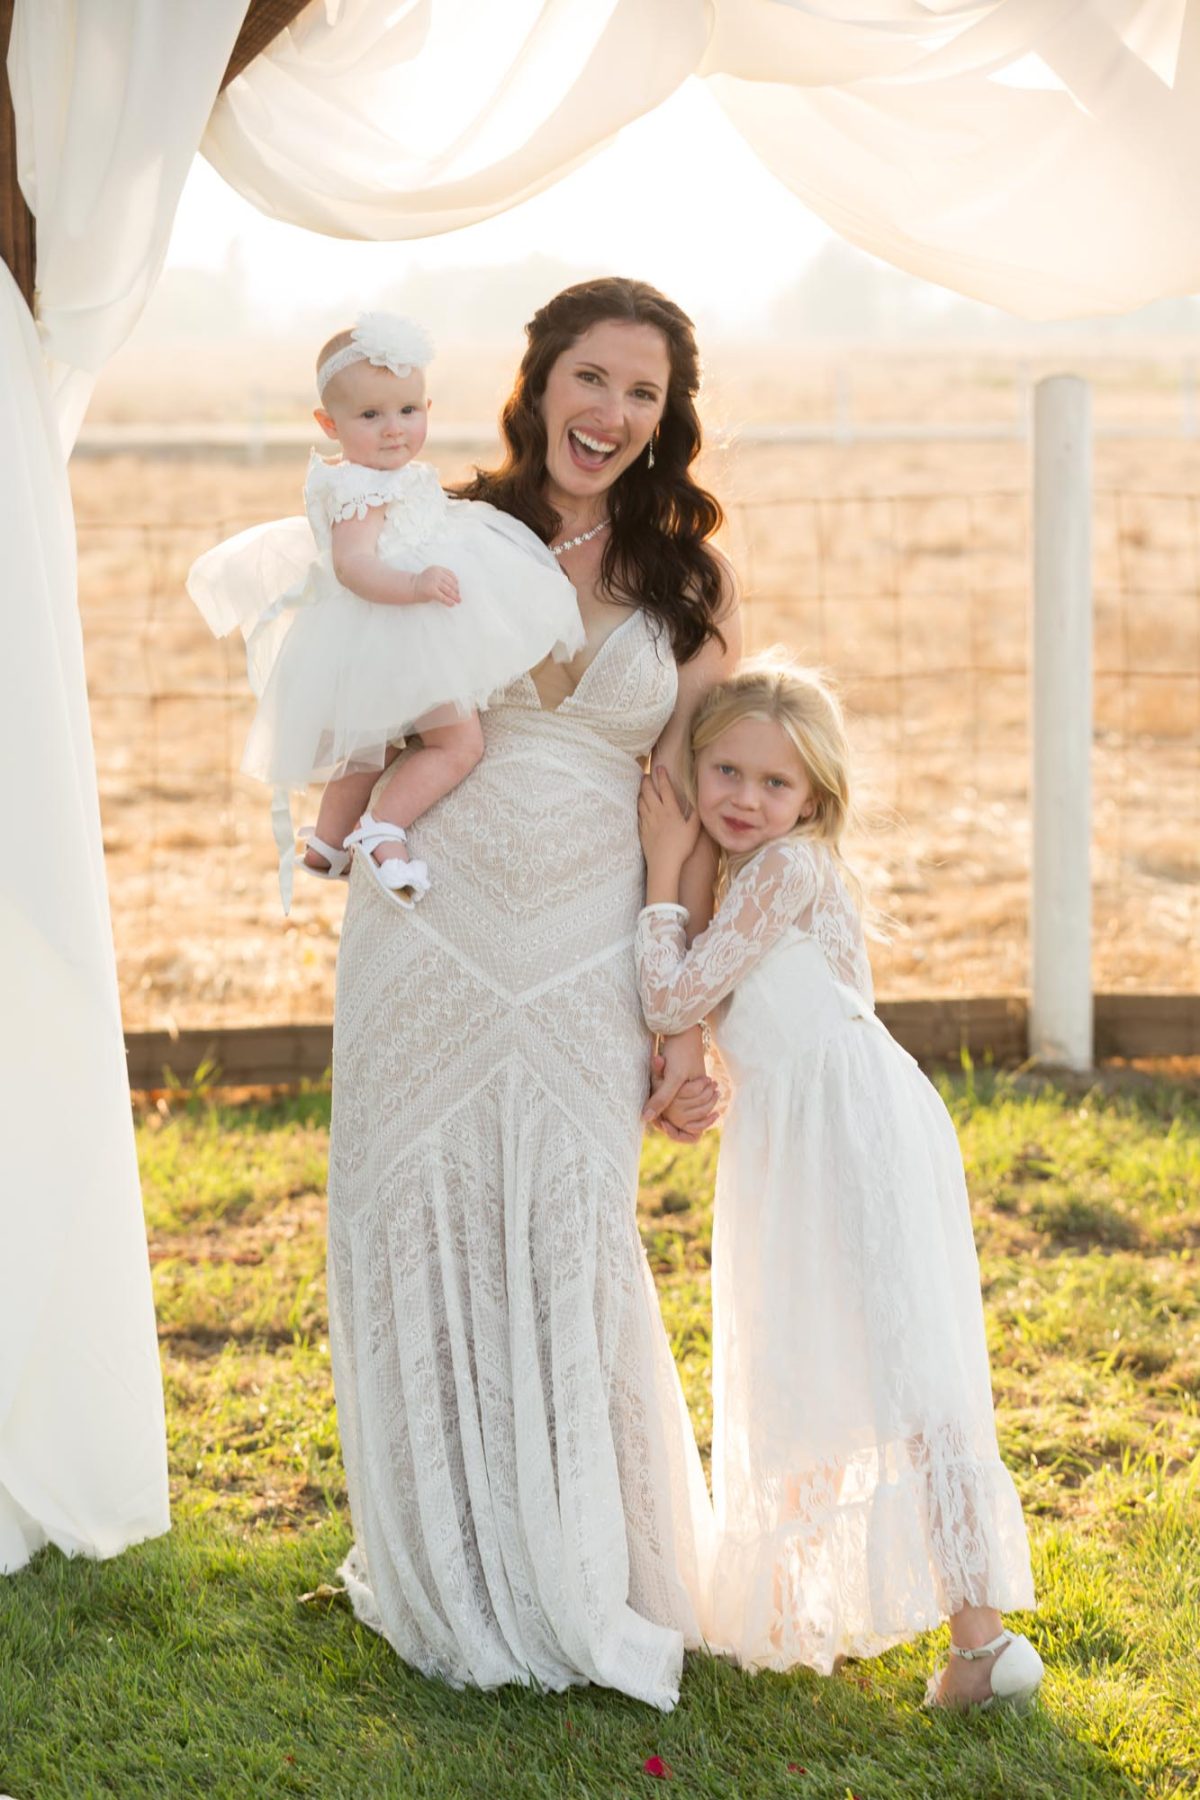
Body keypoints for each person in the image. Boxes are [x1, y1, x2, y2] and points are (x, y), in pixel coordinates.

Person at [325, 278, 740, 1710]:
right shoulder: (439, 528)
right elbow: (356, 692)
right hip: (426, 937)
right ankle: (441, 1557)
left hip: (584, 950)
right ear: (540, 382)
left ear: (664, 420)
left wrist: (686, 1015)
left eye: (643, 392)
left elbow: (697, 805)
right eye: (592, 378)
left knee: (569, 1225)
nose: (612, 412)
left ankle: (579, 1559)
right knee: (420, 1216)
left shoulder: (688, 581)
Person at [634, 658, 1043, 1710]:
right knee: (812, 1348)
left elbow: (675, 987)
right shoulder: (755, 879)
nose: (743, 798)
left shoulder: (786, 871)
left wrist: (658, 865)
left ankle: (985, 1643)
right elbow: (746, 1018)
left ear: (813, 797)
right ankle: (820, 1603)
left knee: (906, 1363)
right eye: (724, 770)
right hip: (801, 1133)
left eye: (774, 784)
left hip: (852, 1133)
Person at [186, 312, 583, 910]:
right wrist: (416, 583)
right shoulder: (357, 490)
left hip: (393, 636)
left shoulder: (385, 477)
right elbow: (354, 566)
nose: (394, 429)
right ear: (329, 423)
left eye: (407, 411)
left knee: (377, 747)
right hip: (397, 627)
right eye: (370, 416)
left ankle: (327, 841)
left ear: (427, 405)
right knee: (458, 744)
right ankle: (383, 831)